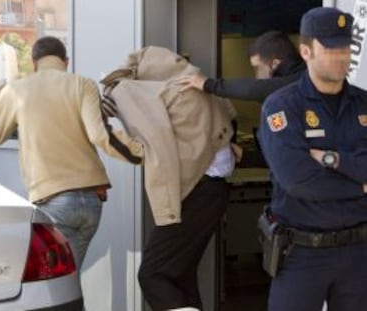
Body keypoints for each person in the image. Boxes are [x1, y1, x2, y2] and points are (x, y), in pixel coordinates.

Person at [0, 36, 144, 305]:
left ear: (34, 62)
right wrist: (140, 153)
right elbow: (100, 135)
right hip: (92, 201)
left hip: (53, 202)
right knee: (66, 282)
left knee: (57, 290)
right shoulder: (82, 84)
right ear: (65, 61)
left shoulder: (17, 89)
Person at [101, 46, 236, 311]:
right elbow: (229, 121)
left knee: (153, 274)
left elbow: (151, 147)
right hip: (216, 189)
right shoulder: (198, 85)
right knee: (182, 276)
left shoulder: (137, 92)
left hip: (195, 191)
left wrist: (107, 127)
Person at [258, 7, 367, 311]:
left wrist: (333, 160)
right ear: (306, 51)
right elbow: (299, 180)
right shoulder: (282, 107)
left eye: (345, 47)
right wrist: (360, 187)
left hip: (359, 253)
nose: (341, 56)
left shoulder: (363, 104)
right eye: (331, 48)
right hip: (302, 254)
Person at [177, 30, 306, 101]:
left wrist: (208, 84)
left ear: (275, 64)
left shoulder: (301, 81)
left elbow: (255, 89)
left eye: (257, 68)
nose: (256, 75)